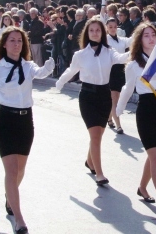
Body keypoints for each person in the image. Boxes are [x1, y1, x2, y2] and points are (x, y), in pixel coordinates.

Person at [0, 27, 55, 234]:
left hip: (25, 122)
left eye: (20, 41)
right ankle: (18, 219)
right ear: (4, 44)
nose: (16, 44)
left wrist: (50, 64)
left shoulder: (28, 66)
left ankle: (9, 195)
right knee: (11, 170)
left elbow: (41, 73)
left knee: (20, 170)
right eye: (12, 41)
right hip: (5, 121)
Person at [55, 18, 128, 186]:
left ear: (102, 33)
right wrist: (60, 83)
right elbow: (71, 70)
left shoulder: (109, 52)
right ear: (87, 33)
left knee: (98, 135)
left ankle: (89, 161)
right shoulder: (80, 55)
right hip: (88, 96)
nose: (95, 33)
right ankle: (99, 173)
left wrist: (139, 48)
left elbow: (123, 58)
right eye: (91, 30)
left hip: (104, 96)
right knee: (95, 135)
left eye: (98, 30)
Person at [116, 23, 156, 217]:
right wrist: (117, 110)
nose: (151, 38)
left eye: (153, 35)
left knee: (154, 155)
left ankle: (143, 187)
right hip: (146, 111)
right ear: (139, 40)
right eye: (146, 36)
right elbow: (127, 88)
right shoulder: (134, 64)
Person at [105, 17, 132, 134]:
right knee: (114, 98)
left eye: (115, 27)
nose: (113, 29)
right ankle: (119, 125)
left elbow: (132, 40)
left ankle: (109, 118)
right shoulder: (105, 40)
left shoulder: (121, 40)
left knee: (117, 97)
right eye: (110, 27)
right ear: (106, 27)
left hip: (121, 70)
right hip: (111, 70)